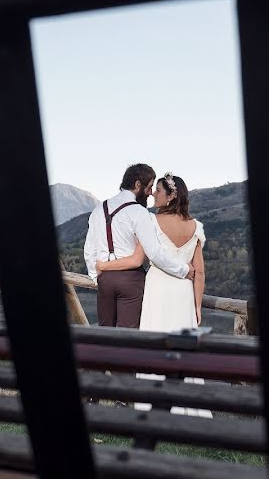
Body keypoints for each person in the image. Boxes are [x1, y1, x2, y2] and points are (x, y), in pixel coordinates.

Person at [97, 172, 211, 417]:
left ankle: (152, 401)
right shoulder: (195, 227)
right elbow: (199, 273)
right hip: (183, 295)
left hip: (158, 287)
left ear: (170, 197)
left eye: (158, 191)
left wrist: (104, 265)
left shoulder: (151, 221)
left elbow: (141, 257)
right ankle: (187, 404)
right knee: (183, 348)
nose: (153, 194)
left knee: (155, 342)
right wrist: (197, 306)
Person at [83, 164, 193, 328]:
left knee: (105, 335)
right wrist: (183, 270)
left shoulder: (98, 210)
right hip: (131, 281)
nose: (150, 193)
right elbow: (154, 252)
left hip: (105, 280)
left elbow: (89, 252)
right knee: (128, 338)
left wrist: (96, 277)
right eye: (149, 187)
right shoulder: (140, 213)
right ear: (137, 185)